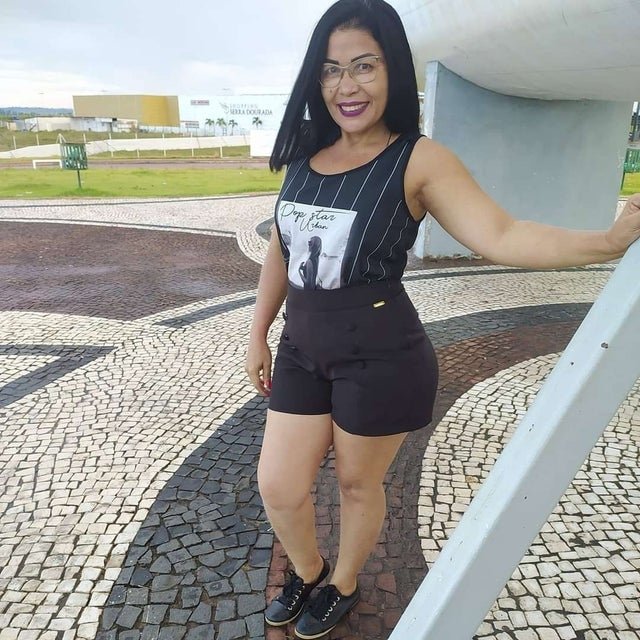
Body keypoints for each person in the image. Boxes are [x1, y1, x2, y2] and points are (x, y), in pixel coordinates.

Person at [245, 0, 640, 637]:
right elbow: (282, 248)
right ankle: (308, 570)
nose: (347, 86)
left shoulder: (419, 160)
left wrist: (608, 243)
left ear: (394, 71)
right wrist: (258, 330)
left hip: (380, 355)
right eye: (332, 70)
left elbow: (502, 233)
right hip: (302, 346)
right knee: (278, 485)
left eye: (365, 66)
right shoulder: (305, 156)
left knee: (356, 483)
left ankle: (342, 583)